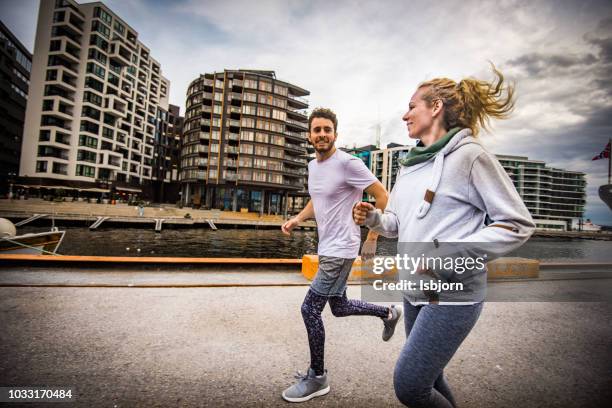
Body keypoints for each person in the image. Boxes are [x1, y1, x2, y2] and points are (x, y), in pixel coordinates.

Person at [353, 65, 535, 408]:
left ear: (435, 107)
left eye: (412, 106)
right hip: (415, 290)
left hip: (453, 293)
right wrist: (375, 218)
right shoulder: (410, 165)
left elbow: (516, 223)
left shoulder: (470, 156)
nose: (405, 115)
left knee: (409, 385)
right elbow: (398, 223)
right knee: (430, 378)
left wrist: (447, 254)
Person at [281, 108, 403, 403]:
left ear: (335, 133)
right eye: (316, 130)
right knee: (339, 306)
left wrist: (372, 236)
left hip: (342, 249)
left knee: (309, 310)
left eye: (327, 129)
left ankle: (318, 376)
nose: (321, 134)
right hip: (327, 247)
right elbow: (317, 200)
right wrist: (298, 219)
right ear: (309, 135)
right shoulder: (313, 166)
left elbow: (383, 195)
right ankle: (388, 313)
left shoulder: (348, 163)